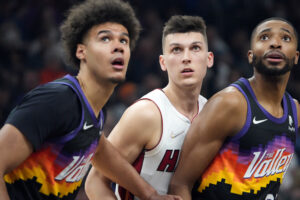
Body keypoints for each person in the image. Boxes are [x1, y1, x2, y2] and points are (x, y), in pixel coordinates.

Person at [0, 0, 181, 200]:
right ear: (81, 51)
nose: (118, 47)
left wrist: (150, 195)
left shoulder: (93, 113)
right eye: (105, 39)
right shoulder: (57, 100)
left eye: (124, 41)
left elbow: (100, 150)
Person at [169, 17, 300, 200]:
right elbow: (179, 185)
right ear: (250, 56)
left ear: (296, 57)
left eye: (285, 38)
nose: (275, 43)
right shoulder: (229, 103)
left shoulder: (295, 110)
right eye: (265, 37)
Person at [85, 15, 214, 199]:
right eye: (176, 50)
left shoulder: (213, 112)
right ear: (163, 62)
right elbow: (95, 182)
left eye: (195, 48)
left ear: (209, 59)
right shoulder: (146, 114)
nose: (186, 58)